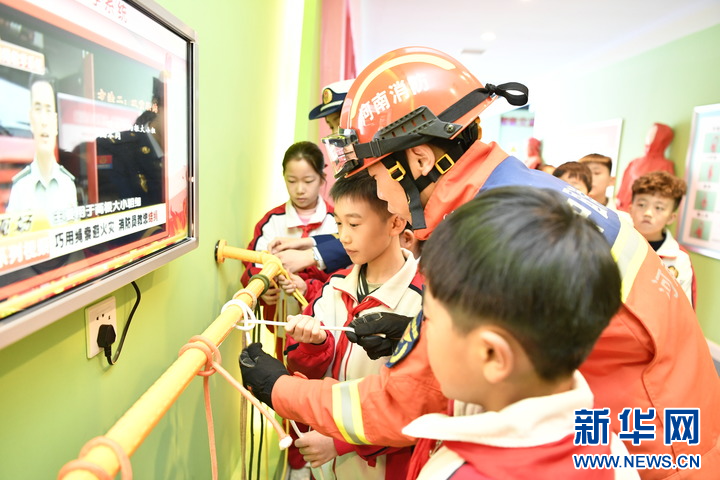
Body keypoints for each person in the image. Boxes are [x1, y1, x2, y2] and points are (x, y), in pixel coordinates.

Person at [240, 47, 720, 479]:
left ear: (419, 161)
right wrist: (419, 332)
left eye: (375, 177)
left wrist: (281, 389)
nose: (381, 196)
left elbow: (403, 403)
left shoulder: (488, 233)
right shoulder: (517, 192)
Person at [403, 187, 637, 479]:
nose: (424, 331)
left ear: (491, 354)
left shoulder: (459, 474)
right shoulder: (611, 452)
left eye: (430, 318)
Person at [281, 171, 422, 480]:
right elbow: (303, 371)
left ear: (396, 223)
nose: (344, 237)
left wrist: (342, 442)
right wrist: (313, 346)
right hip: (327, 469)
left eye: (354, 224)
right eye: (339, 225)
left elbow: (417, 405)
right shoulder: (334, 287)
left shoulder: (424, 301)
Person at [241, 141, 338, 356]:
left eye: (308, 181)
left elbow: (346, 274)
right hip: (281, 324)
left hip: (328, 325)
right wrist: (263, 288)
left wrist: (308, 286)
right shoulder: (271, 221)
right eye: (292, 181)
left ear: (322, 178)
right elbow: (251, 265)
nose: (300, 189)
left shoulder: (337, 221)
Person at [7, 76, 77, 221]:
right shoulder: (20, 188)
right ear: (31, 120)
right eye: (38, 109)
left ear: (55, 122)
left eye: (48, 110)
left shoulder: (68, 185)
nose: (44, 121)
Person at [628, 171, 696, 307]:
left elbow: (684, 309)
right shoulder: (614, 241)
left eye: (659, 208)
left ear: (671, 218)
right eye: (641, 205)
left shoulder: (679, 259)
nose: (648, 213)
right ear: (630, 209)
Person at [615, 123, 675, 212]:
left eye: (653, 134)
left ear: (661, 138)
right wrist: (619, 199)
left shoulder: (665, 165)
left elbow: (665, 194)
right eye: (649, 133)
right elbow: (624, 183)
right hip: (623, 209)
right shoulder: (635, 162)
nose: (649, 137)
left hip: (645, 211)